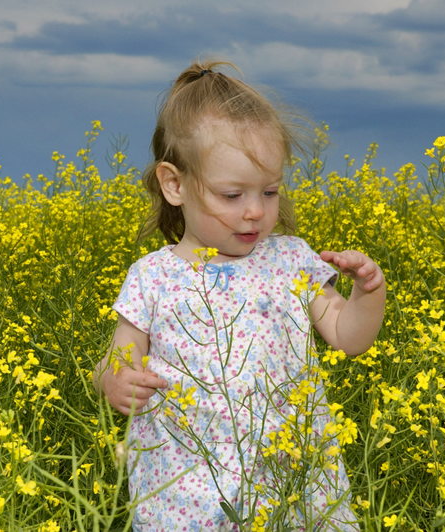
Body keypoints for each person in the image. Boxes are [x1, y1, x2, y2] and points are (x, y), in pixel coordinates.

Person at [93, 59, 385, 531]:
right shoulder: (153, 276)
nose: (255, 212)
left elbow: (348, 337)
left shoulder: (290, 260)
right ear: (174, 184)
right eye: (232, 195)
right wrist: (116, 379)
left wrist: (367, 294)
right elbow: (120, 355)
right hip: (188, 486)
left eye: (269, 192)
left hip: (293, 471)